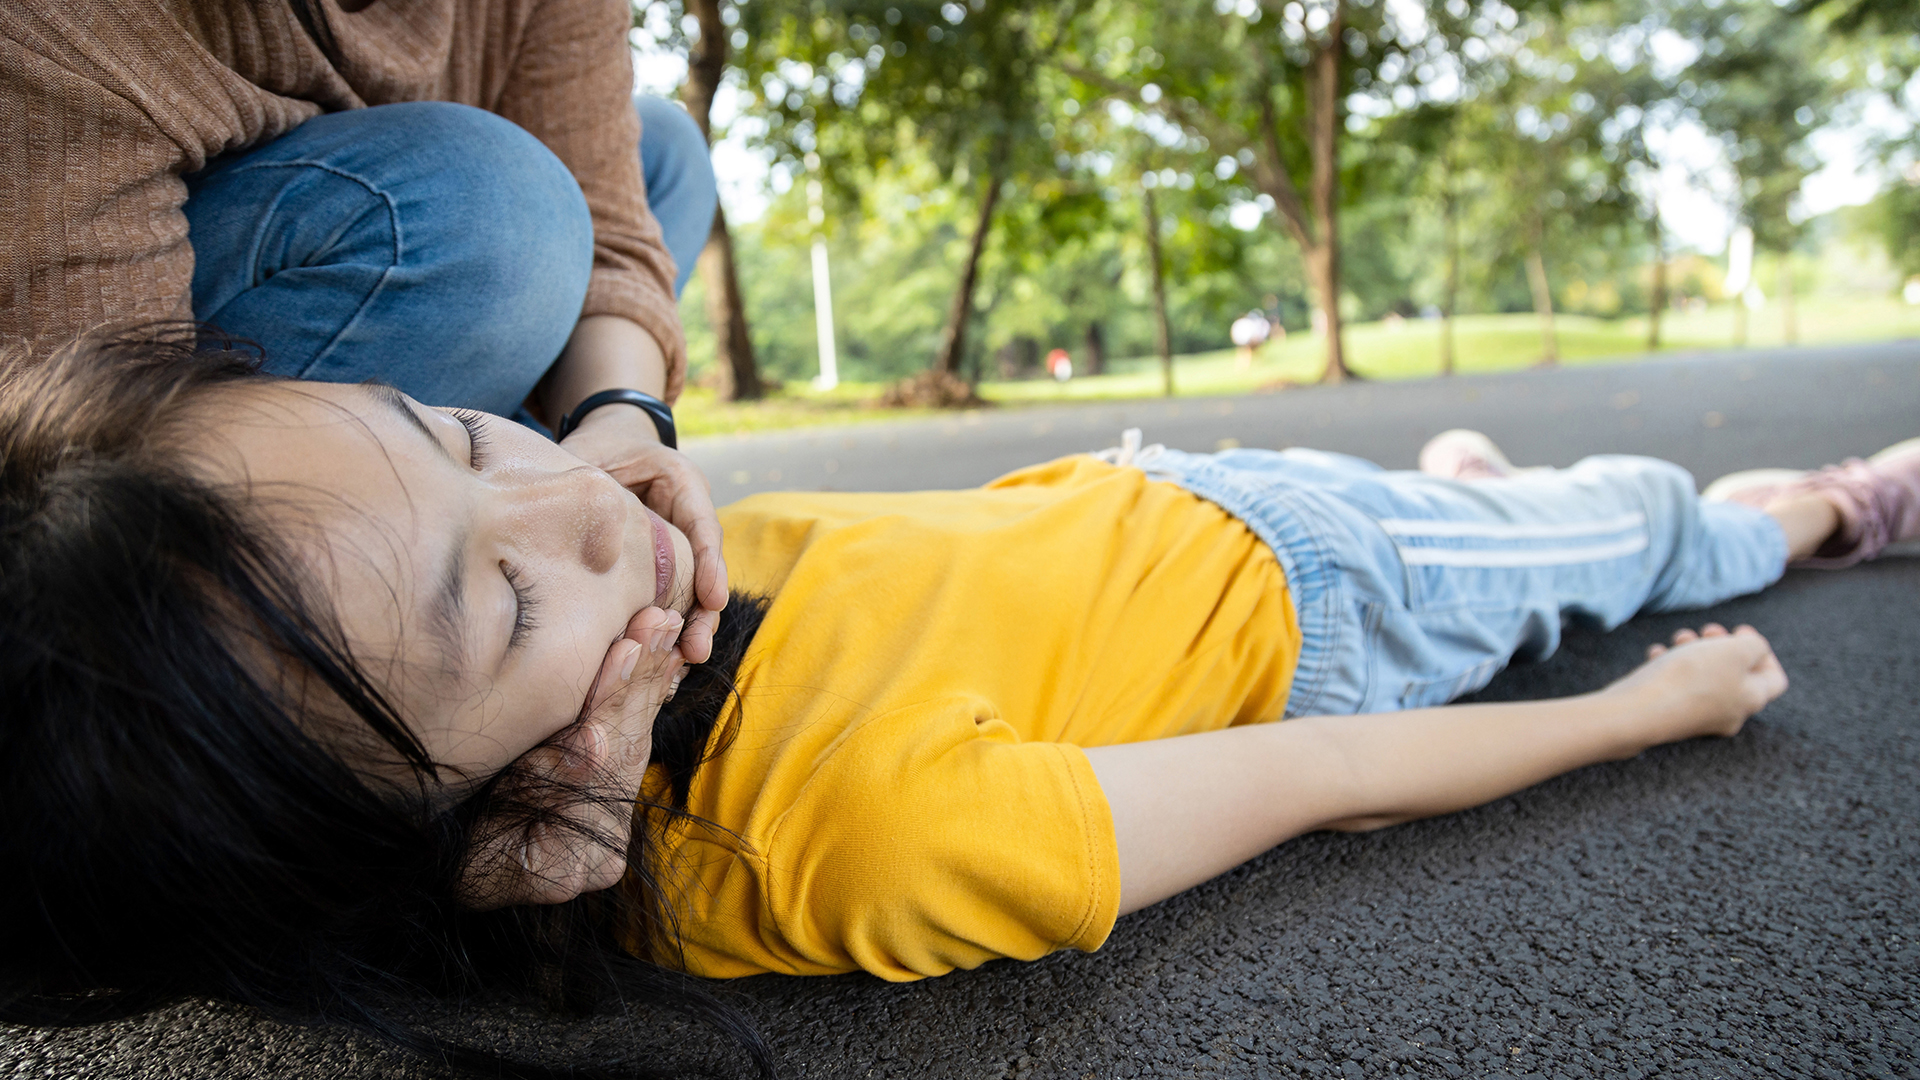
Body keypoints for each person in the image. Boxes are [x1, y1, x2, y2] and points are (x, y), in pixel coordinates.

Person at [5, 327, 1918, 1075]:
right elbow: (1327, 770)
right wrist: (1648, 718)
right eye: (502, 587)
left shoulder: (626, 582)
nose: (584, 493)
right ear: (486, 827)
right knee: (1653, 531)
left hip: (1167, 498)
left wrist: (541, 537)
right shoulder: (859, 839)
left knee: (1530, 527)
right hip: (1343, 589)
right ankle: (1820, 507)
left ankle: (1495, 503)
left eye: (453, 426)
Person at [0, 0, 732, 662]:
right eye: (511, 597)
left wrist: (623, 416)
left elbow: (614, 233)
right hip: (172, 337)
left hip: (435, 259)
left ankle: (503, 441)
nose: (599, 510)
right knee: (498, 209)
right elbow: (95, 472)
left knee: (667, 147)